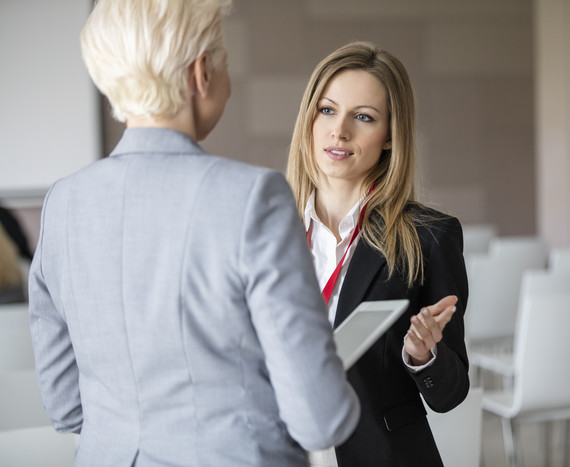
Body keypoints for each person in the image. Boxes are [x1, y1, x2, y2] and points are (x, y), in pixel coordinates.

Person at [28, 1, 359, 465]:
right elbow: (319, 420)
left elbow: (64, 405)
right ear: (202, 73)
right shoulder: (253, 197)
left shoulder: (62, 203)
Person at [287, 41, 470, 467]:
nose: (339, 131)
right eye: (328, 110)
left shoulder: (428, 238)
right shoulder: (263, 234)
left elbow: (450, 394)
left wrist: (423, 355)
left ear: (389, 136)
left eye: (363, 117)